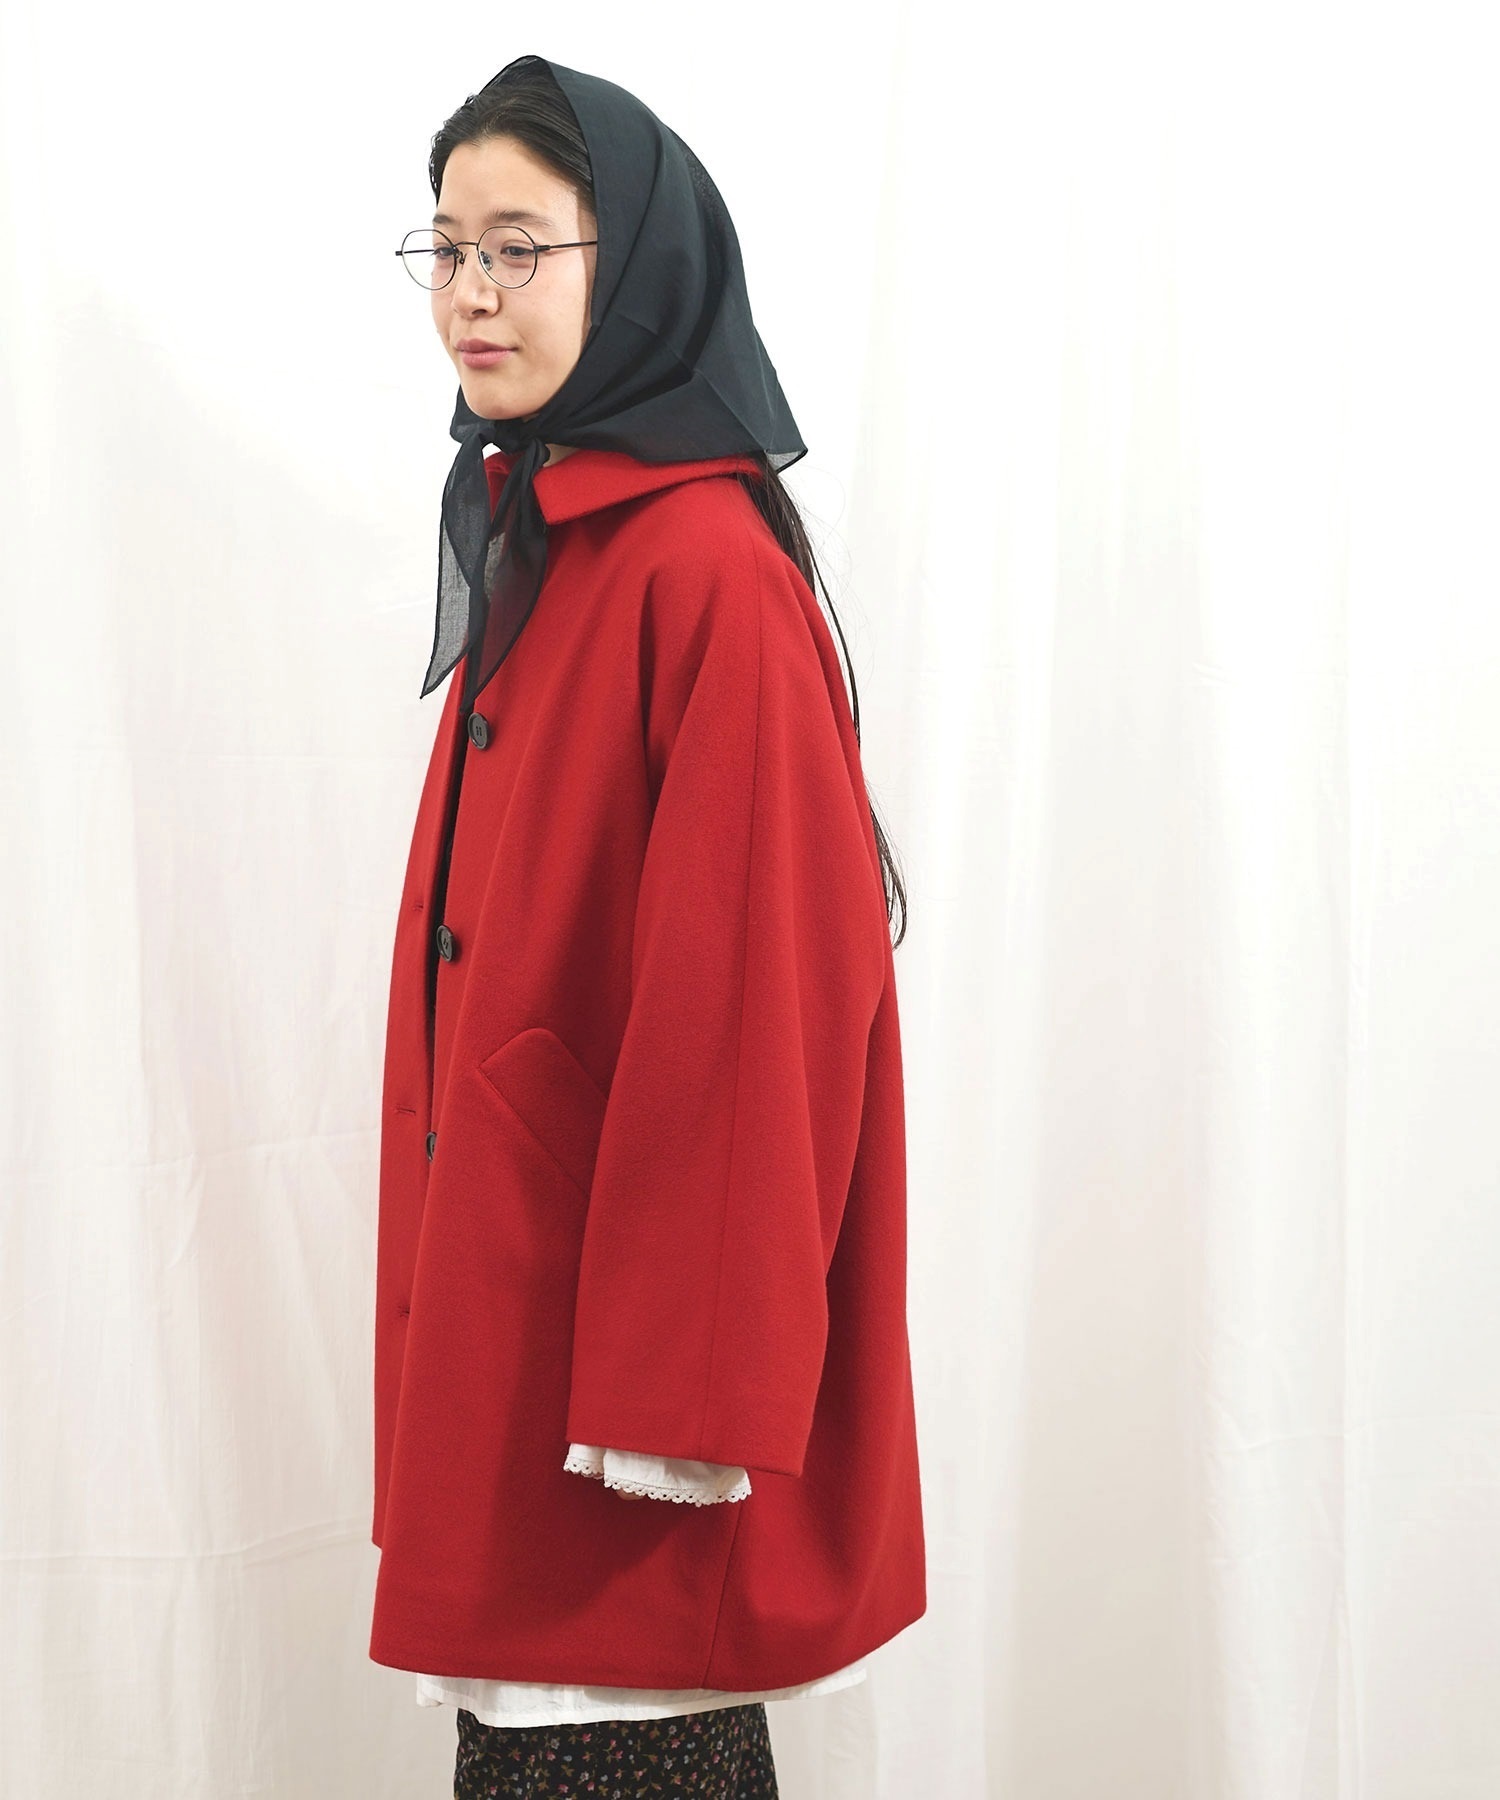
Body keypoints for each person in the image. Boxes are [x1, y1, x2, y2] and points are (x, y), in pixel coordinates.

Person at [369, 54, 925, 1799]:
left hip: (622, 1404)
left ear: (638, 266)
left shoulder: (706, 571)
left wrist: (687, 1399)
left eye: (519, 247)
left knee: (613, 1743)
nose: (471, 292)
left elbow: (763, 1008)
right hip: (524, 1316)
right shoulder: (556, 538)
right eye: (448, 247)